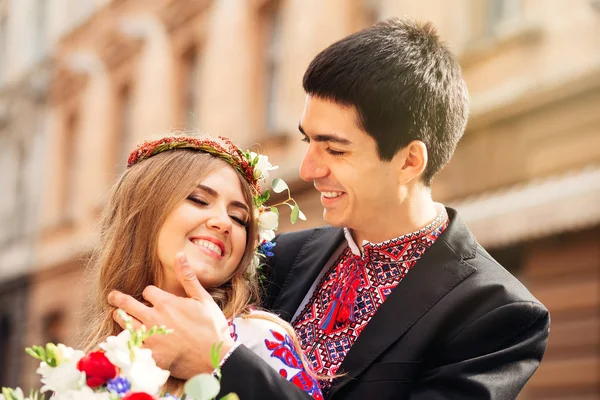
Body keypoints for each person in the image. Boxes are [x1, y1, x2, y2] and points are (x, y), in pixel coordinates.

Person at [108, 18, 550, 399]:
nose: (308, 168)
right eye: (308, 140)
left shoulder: (497, 314)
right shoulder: (276, 258)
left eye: (335, 150)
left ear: (409, 160)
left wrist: (220, 360)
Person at [81, 134, 323, 399]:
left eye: (239, 218)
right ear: (144, 208)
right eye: (198, 200)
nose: (223, 223)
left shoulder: (256, 340)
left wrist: (221, 359)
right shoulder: (99, 356)